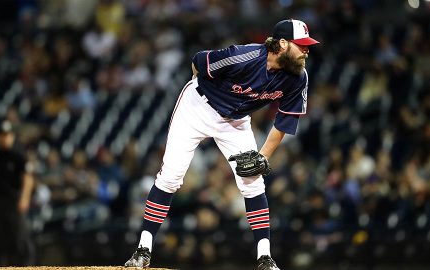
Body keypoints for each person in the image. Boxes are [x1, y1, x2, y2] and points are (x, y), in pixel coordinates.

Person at [125, 19, 320, 270]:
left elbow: (284, 122)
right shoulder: (243, 57)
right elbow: (199, 62)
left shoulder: (298, 77)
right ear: (282, 44)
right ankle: (143, 249)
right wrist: (209, 93)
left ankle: (265, 259)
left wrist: (263, 156)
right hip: (198, 107)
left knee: (253, 182)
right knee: (171, 177)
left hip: (235, 121)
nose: (307, 50)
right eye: (301, 45)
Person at [0, 120, 35, 266]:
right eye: (1, 134)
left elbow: (28, 177)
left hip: (14, 200)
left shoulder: (18, 154)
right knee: (1, 237)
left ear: (12, 136)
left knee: (19, 235)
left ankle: (27, 265)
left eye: (7, 134)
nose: (4, 137)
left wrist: (25, 198)